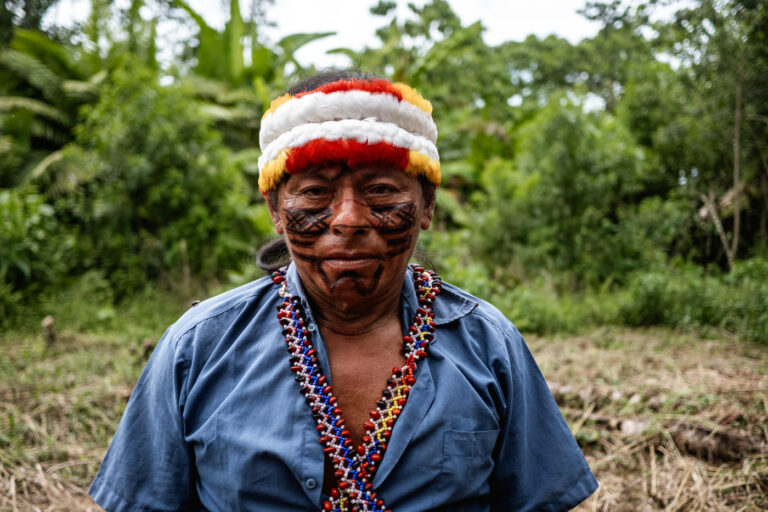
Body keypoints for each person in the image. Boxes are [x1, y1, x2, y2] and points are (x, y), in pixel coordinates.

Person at [89, 70, 598, 511]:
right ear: (275, 209)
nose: (349, 219)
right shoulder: (197, 348)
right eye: (315, 192)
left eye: (380, 191)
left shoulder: (490, 347)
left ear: (426, 206)